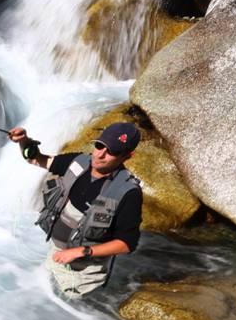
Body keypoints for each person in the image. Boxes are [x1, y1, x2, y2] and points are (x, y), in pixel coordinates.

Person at [9, 122, 143, 299]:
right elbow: (35, 158)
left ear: (128, 156)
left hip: (85, 274)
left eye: (112, 151)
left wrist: (81, 252)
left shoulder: (128, 192)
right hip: (56, 255)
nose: (100, 154)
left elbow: (127, 244)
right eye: (99, 145)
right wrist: (24, 141)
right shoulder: (77, 162)